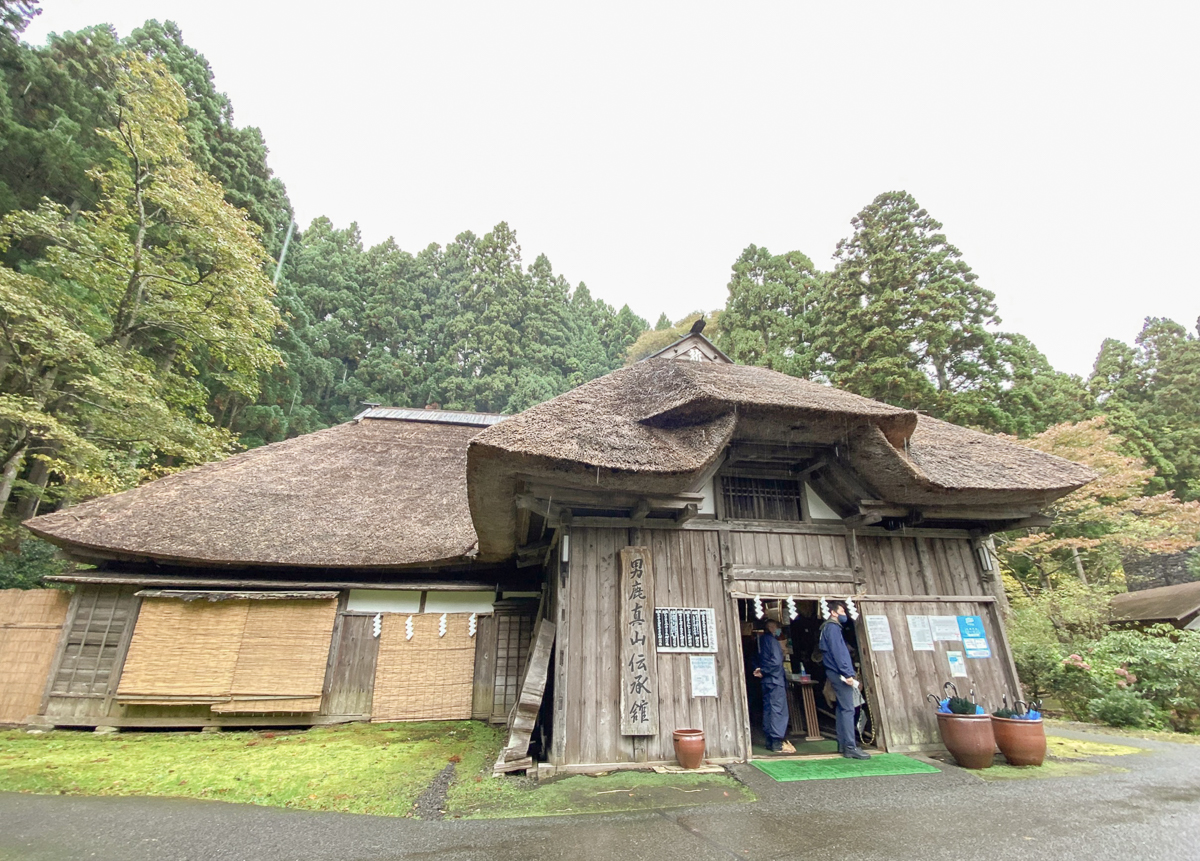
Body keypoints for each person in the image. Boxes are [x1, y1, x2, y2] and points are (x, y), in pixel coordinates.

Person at [818, 601, 871, 760]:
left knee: (842, 708)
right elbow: (839, 652)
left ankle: (843, 744)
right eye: (842, 611)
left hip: (833, 672)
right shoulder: (833, 628)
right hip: (840, 673)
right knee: (848, 708)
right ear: (833, 613)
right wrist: (848, 673)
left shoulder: (825, 629)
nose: (844, 614)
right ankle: (850, 746)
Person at [752, 618, 791, 753]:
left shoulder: (761, 640)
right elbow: (776, 662)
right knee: (778, 710)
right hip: (775, 679)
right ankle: (776, 741)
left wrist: (761, 670)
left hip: (766, 681)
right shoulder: (773, 641)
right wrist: (765, 671)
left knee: (768, 708)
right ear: (773, 628)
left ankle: (769, 739)